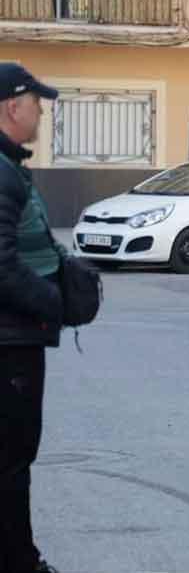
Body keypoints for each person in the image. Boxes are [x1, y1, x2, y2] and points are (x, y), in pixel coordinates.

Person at [0, 64, 63, 573]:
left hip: (16, 337)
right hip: (9, 342)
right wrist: (55, 301)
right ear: (9, 107)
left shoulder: (8, 166)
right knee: (12, 459)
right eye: (34, 102)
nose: (40, 112)